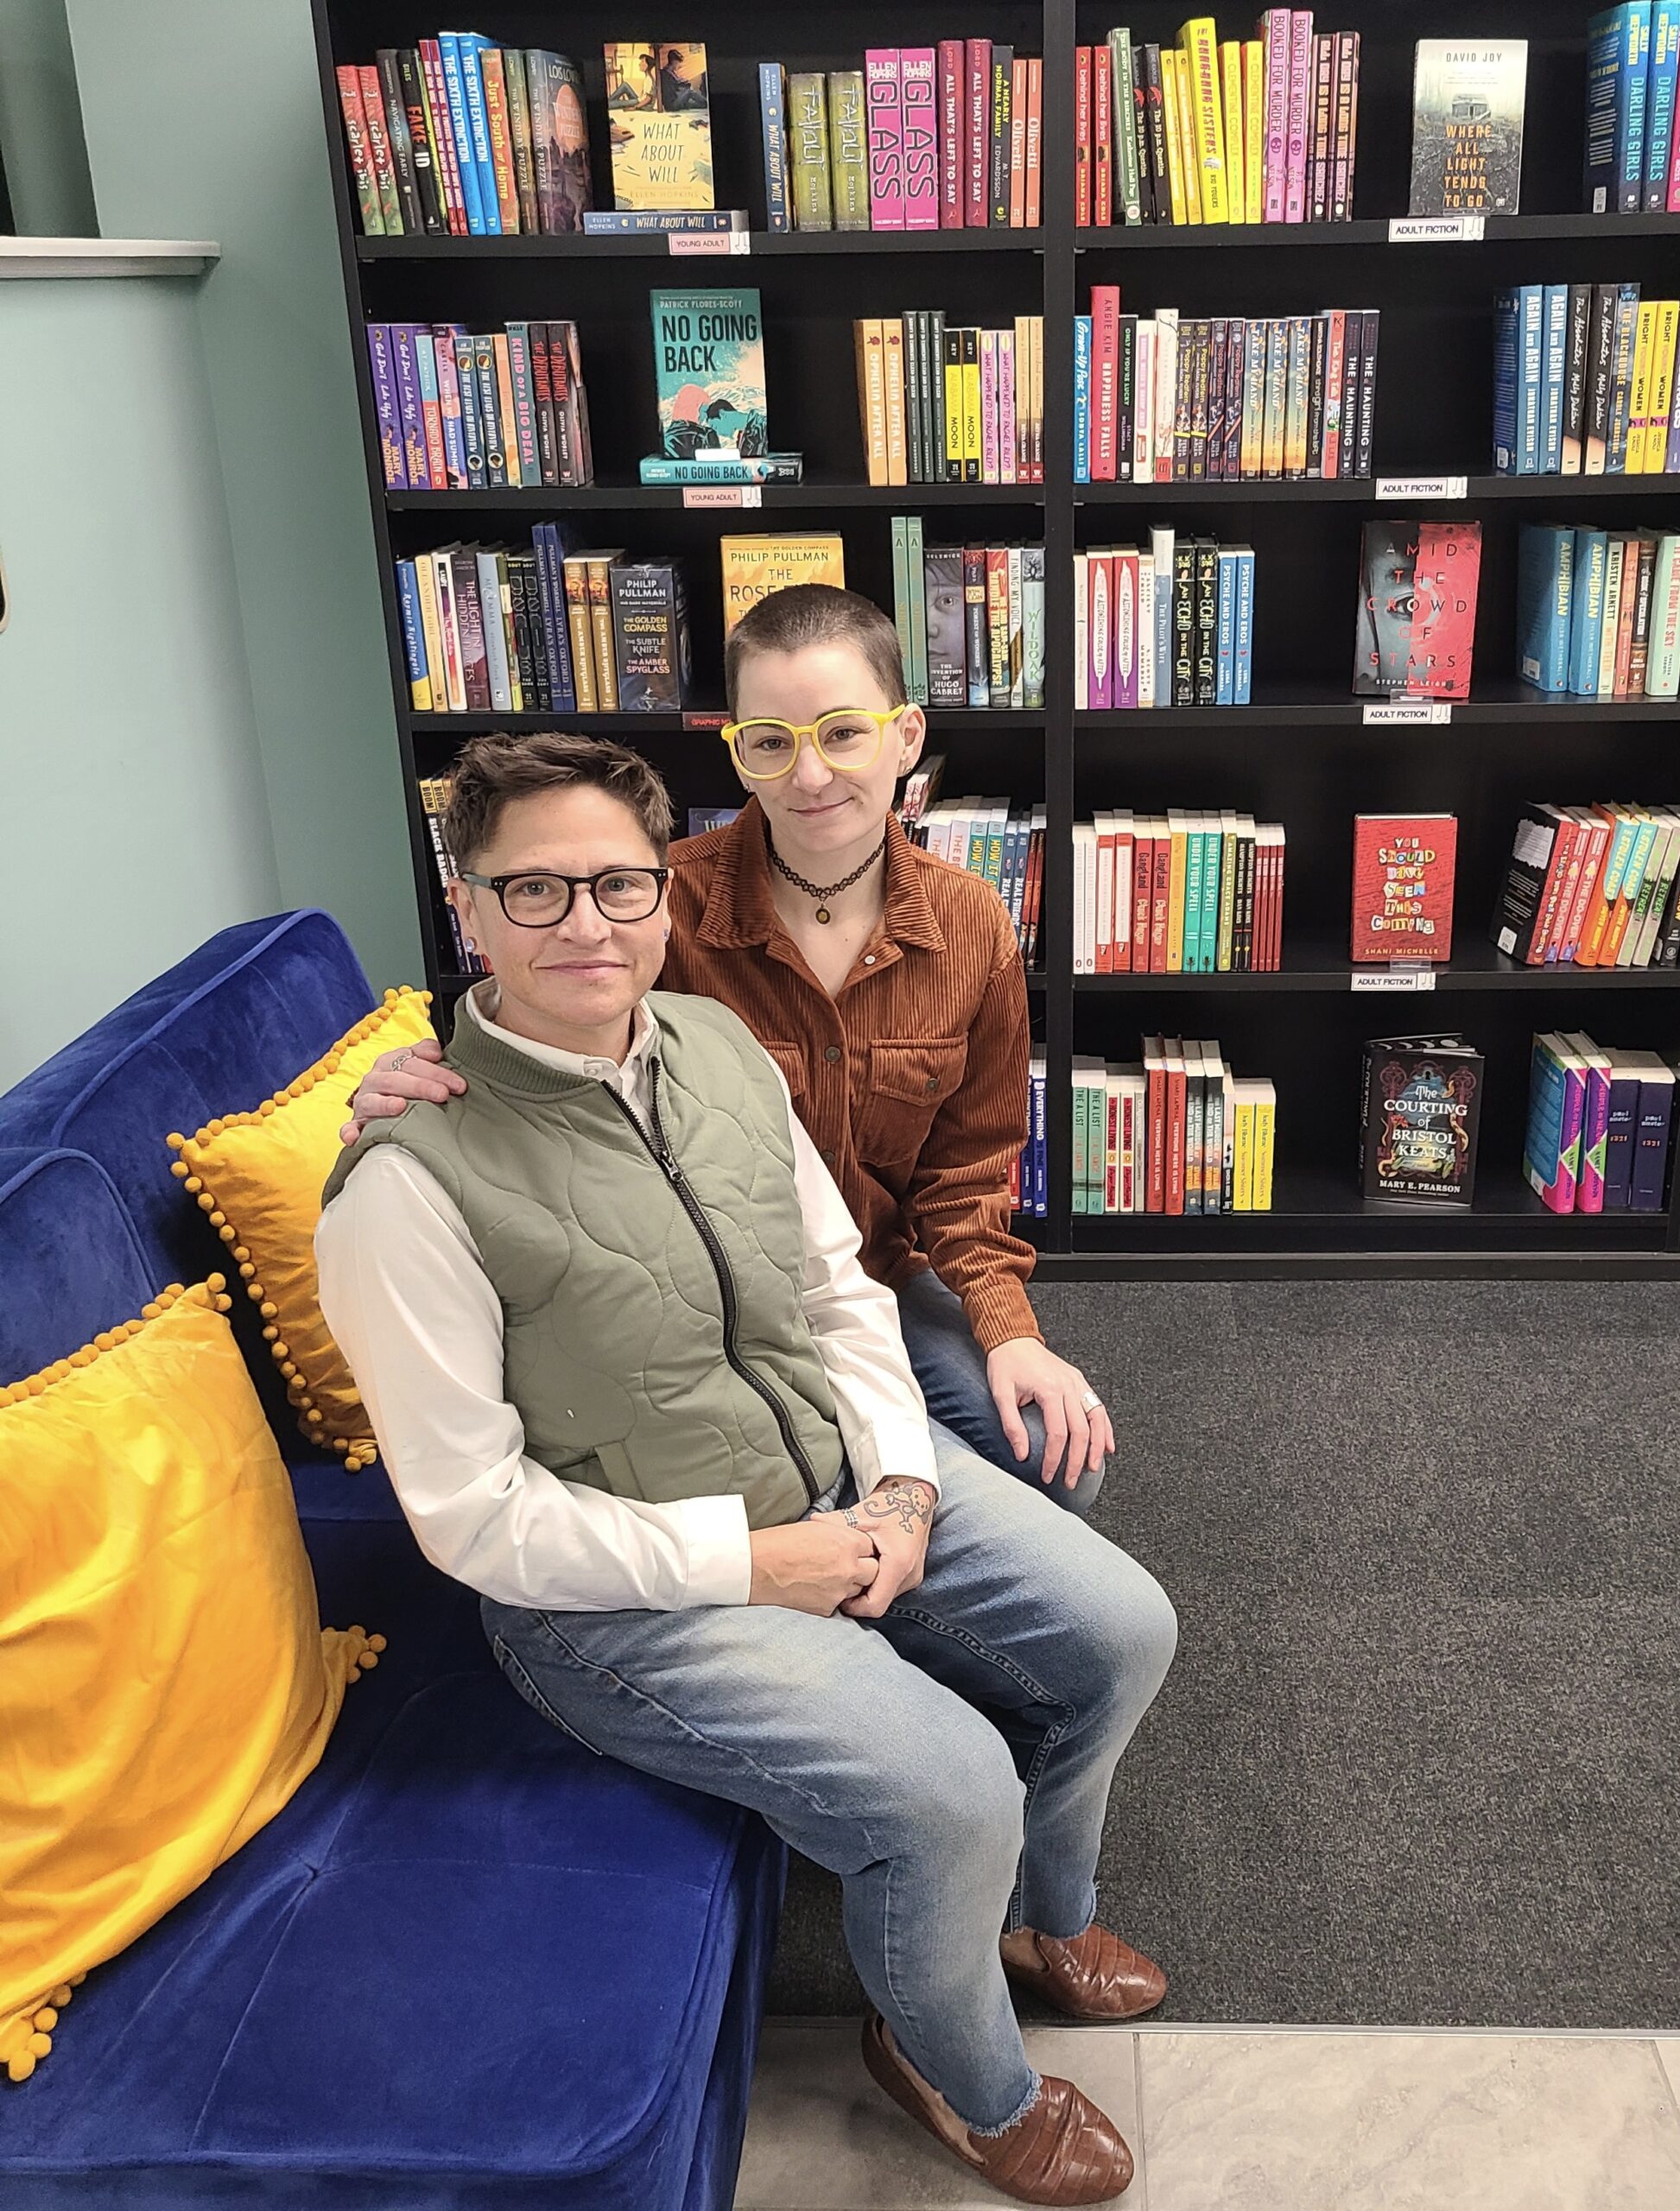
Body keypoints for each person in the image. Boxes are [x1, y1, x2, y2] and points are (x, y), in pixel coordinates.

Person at [314, 738, 1176, 2206]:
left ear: (665, 897)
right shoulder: (406, 1180)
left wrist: (900, 1486)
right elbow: (473, 1519)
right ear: (468, 908)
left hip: (834, 1473)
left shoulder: (712, 1046)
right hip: (619, 1596)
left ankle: (1048, 1912)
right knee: (953, 1786)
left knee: (1123, 1631)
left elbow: (837, 1291)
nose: (584, 924)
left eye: (618, 884)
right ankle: (956, 2071)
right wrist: (756, 1565)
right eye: (533, 889)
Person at [346, 586, 1113, 1512]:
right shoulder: (648, 903)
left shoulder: (971, 921)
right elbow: (548, 1023)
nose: (811, 775)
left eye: (843, 733)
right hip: (705, 1303)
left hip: (877, 1279)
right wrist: (426, 1071)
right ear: (736, 751)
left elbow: (968, 1169)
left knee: (1057, 1459)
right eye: (771, 742)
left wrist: (1008, 1328)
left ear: (905, 737)